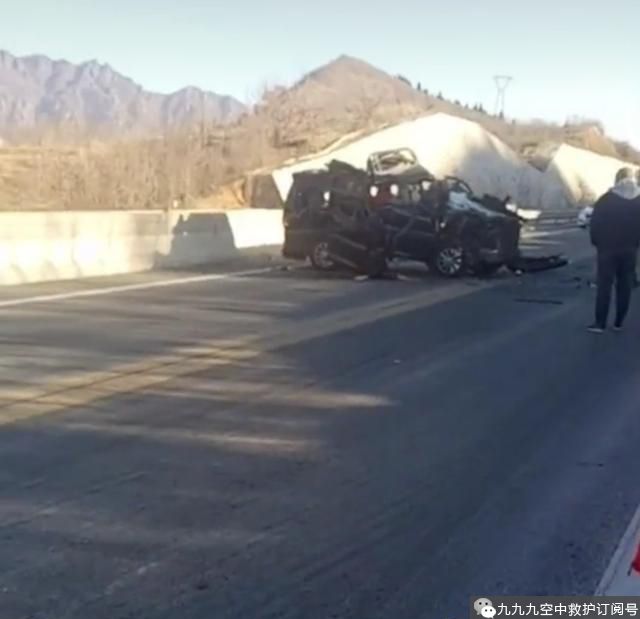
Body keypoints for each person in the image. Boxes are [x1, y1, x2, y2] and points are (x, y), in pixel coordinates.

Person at [588, 167, 640, 332]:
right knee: (625, 286)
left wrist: (598, 243)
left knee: (604, 285)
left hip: (607, 250)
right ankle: (619, 322)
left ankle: (600, 323)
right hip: (630, 250)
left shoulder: (605, 199)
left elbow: (594, 225)